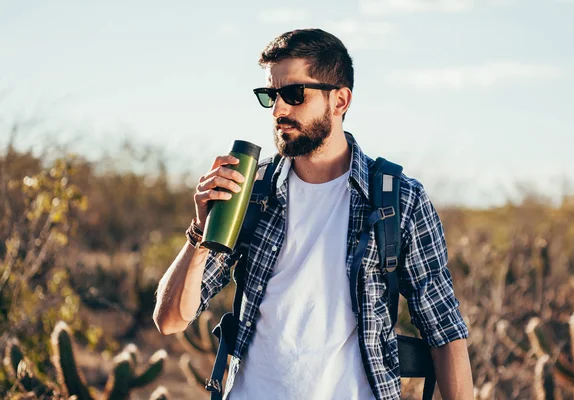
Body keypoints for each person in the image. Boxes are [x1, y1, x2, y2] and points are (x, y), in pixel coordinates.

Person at [153, 28, 474, 400]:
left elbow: (444, 331)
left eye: (293, 94)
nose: (279, 109)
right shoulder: (252, 193)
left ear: (339, 101)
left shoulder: (399, 199)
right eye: (270, 96)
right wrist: (200, 231)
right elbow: (171, 320)